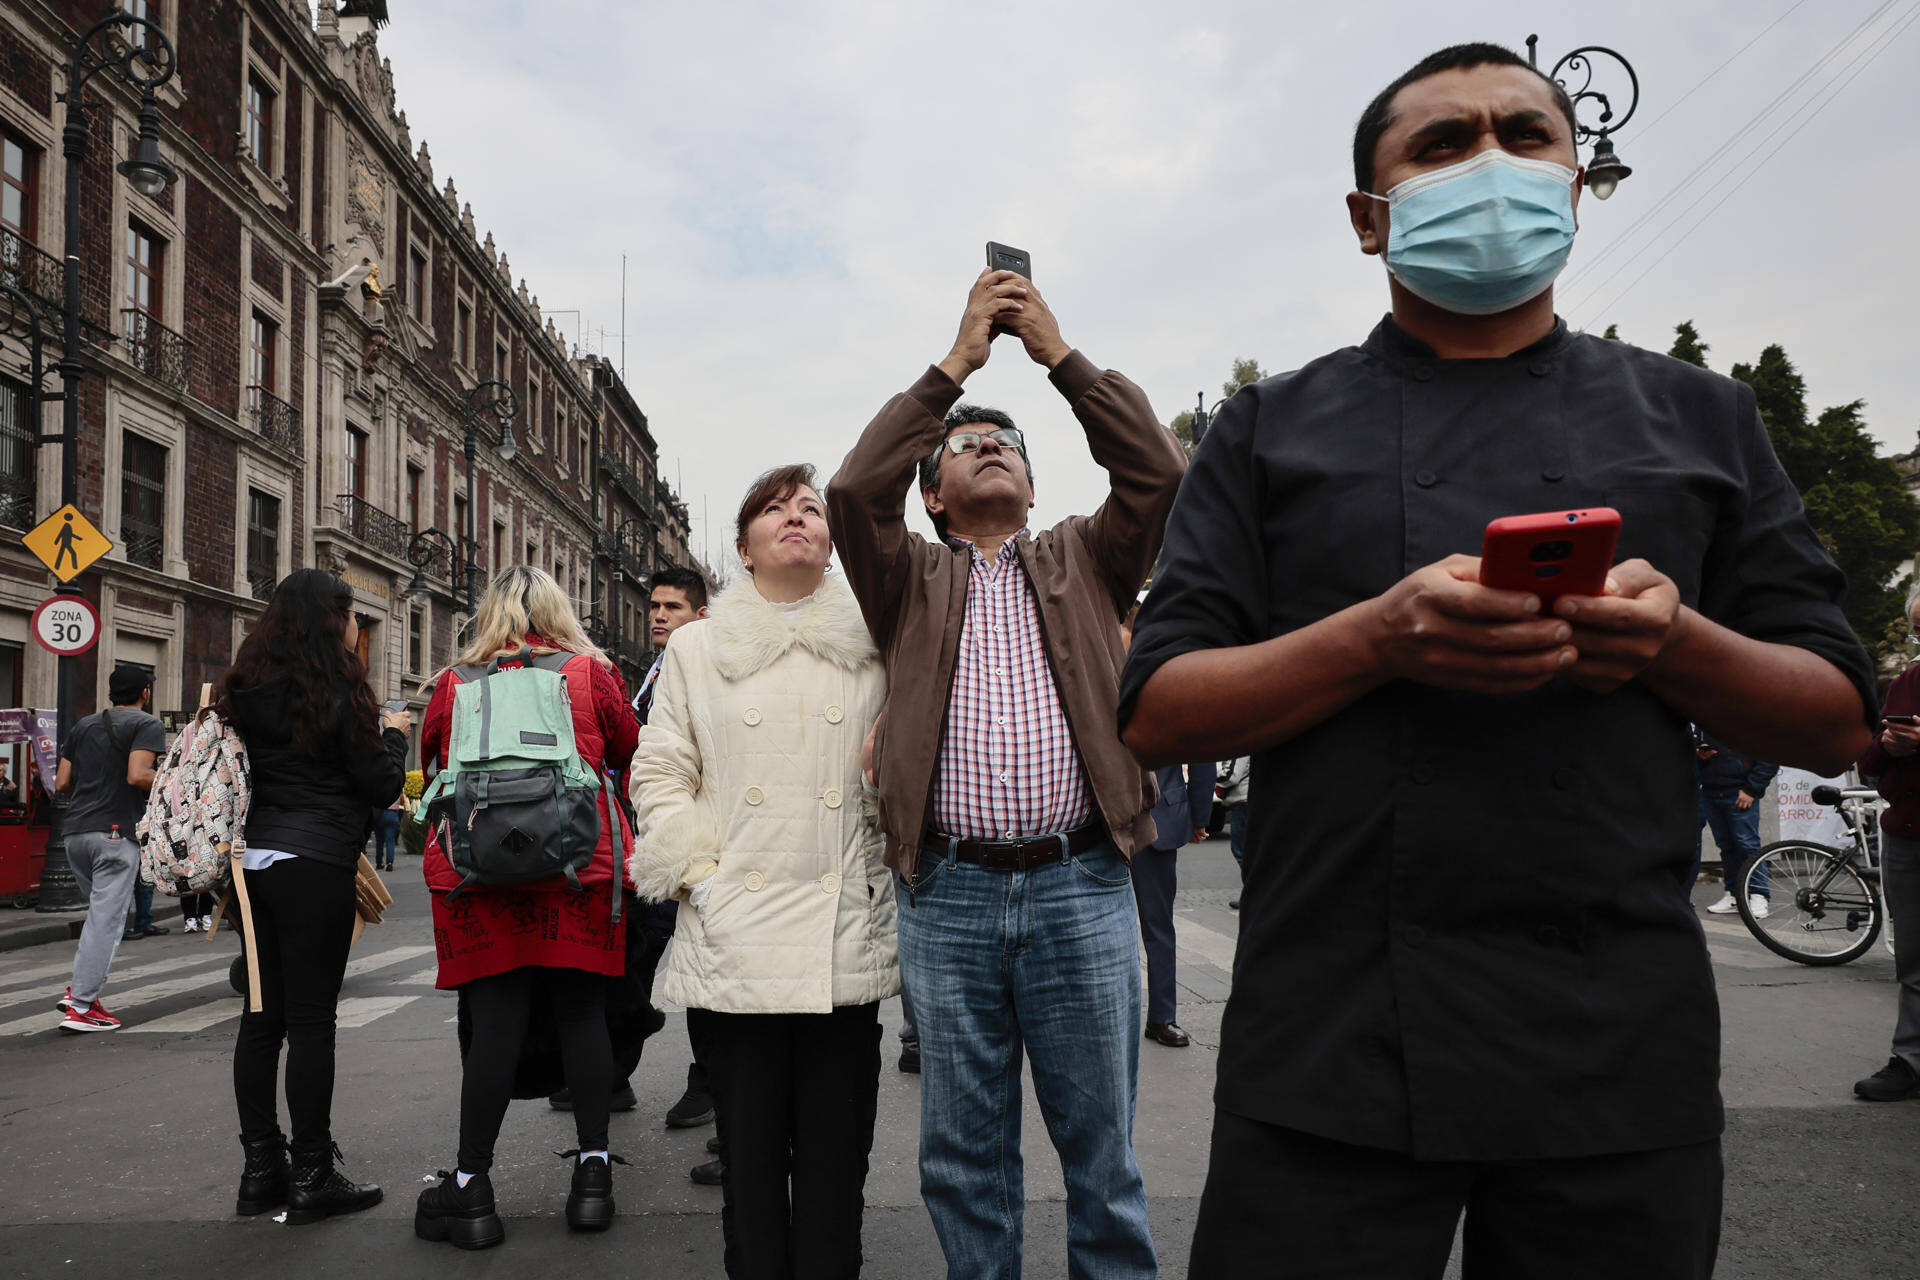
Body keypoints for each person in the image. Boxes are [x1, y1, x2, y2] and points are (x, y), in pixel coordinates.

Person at [1118, 43, 1877, 1279]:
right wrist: (1378, 635)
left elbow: (1839, 713)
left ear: (1575, 186)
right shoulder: (1269, 428)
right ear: (1371, 219)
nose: (1490, 164)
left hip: (1616, 1042)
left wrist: (1673, 640)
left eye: (1526, 136)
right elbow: (1156, 711)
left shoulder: (1701, 416)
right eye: (1441, 144)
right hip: (1331, 1033)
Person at [828, 268, 1184, 1280]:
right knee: (963, 1156)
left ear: (1033, 485)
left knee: (1102, 1153)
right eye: (964, 446)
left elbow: (1159, 470)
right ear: (932, 493)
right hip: (948, 893)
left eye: (1008, 443)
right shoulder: (908, 576)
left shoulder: (1087, 556)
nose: (989, 444)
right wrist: (957, 366)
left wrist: (1057, 358)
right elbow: (855, 490)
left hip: (1084, 883)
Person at [631, 464, 893, 1279]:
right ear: (743, 549)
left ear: (832, 538)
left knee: (833, 1173)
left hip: (840, 939)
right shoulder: (699, 649)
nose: (796, 518)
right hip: (736, 941)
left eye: (811, 508)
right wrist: (699, 875)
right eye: (774, 509)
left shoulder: (875, 641)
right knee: (747, 1178)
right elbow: (661, 771)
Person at [412, 566, 639, 1250]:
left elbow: (429, 761)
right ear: (560, 610)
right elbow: (628, 748)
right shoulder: (590, 674)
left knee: (495, 1021)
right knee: (581, 1012)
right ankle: (593, 1177)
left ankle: (471, 1188)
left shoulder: (454, 683)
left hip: (478, 875)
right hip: (579, 867)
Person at [219, 570, 409, 1223]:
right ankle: (312, 1173)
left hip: (254, 862)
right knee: (310, 1023)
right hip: (316, 859)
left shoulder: (242, 687)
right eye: (352, 616)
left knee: (260, 1020)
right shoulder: (338, 690)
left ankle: (260, 1169)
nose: (358, 627)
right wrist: (394, 732)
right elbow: (382, 785)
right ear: (334, 619)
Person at [549, 565, 721, 1181]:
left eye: (672, 607)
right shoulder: (653, 670)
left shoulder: (705, 667)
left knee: (699, 969)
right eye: (653, 605)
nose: (657, 615)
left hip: (687, 845)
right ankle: (616, 1073)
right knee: (634, 963)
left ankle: (709, 1084)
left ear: (701, 615)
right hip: (644, 847)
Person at [53, 664, 165, 1032]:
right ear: (145, 693)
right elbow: (137, 775)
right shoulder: (146, 724)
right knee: (107, 920)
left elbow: (62, 781)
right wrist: (173, 780)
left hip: (76, 834)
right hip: (115, 833)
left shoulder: (83, 725)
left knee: (97, 918)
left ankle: (82, 993)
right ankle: (81, 1006)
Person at [1851, 579, 1920, 1102]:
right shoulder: (1904, 684)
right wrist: (1889, 746)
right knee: (1913, 958)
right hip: (1907, 833)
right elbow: (1868, 763)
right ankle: (1911, 1060)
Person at [1137, 761, 1215, 1047]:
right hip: (1097, 823)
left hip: (1158, 819)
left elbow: (1202, 758)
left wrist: (1199, 816)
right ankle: (1160, 1018)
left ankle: (1161, 1016)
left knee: (1157, 925)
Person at [1694, 728, 1778, 917]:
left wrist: (1751, 789)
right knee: (1727, 847)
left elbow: (1770, 756)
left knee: (1747, 845)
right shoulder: (1702, 719)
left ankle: (1759, 894)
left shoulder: (1744, 715)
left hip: (1740, 791)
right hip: (1711, 791)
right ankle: (1733, 894)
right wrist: (1700, 755)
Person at [1216, 757, 1251, 909]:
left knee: (1242, 851)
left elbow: (1232, 775)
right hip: (1246, 800)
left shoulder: (1241, 745)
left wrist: (1211, 782)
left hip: (1242, 801)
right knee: (1246, 851)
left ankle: (1253, 893)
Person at [371, 790, 405, 873]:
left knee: (379, 841)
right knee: (390, 840)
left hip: (380, 814)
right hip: (392, 815)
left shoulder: (379, 786)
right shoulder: (397, 786)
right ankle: (389, 863)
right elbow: (402, 802)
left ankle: (379, 862)